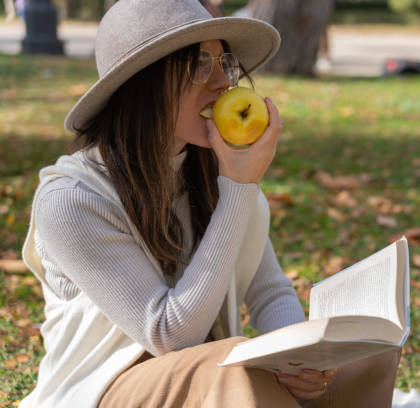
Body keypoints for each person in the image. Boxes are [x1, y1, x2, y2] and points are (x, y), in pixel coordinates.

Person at [19, 0, 400, 407]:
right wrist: (239, 186)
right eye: (200, 64)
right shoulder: (72, 199)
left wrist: (305, 364)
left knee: (370, 350)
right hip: (107, 390)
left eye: (226, 64)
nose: (222, 84)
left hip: (206, 376)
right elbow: (171, 335)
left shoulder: (215, 174)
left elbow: (269, 292)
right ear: (142, 82)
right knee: (229, 367)